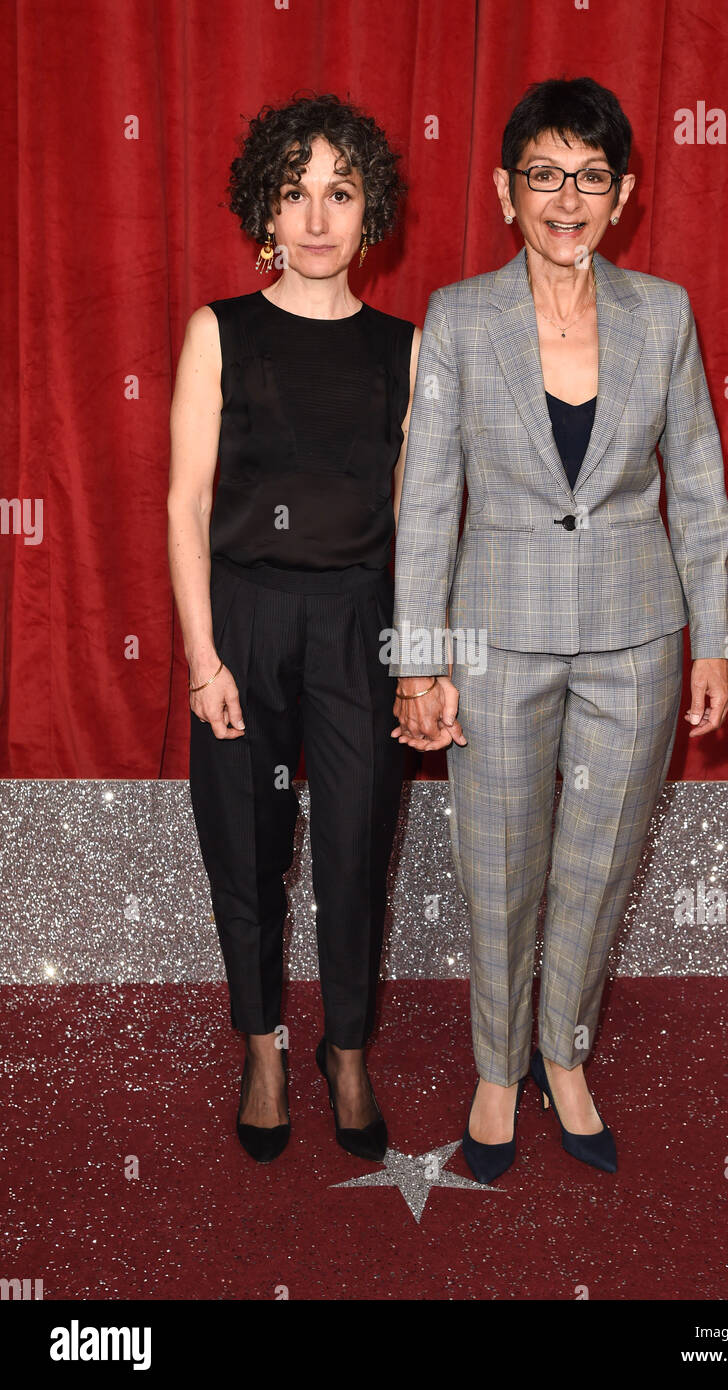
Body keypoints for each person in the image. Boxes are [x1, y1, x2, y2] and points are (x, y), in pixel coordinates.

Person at [390, 76, 728, 1183]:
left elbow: (695, 479)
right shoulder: (455, 318)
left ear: (622, 193)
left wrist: (714, 638)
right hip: (492, 636)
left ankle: (564, 1054)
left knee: (593, 867)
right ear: (504, 191)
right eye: (543, 174)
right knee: (495, 866)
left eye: (588, 175)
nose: (565, 196)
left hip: (635, 638)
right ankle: (497, 1069)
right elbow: (426, 500)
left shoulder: (664, 313)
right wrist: (418, 662)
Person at [167, 93, 420, 1164]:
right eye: (294, 190)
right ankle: (264, 1042)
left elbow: (424, 525)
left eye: (340, 191)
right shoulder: (218, 330)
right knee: (247, 847)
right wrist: (200, 661)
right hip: (244, 618)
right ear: (264, 208)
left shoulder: (407, 350)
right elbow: (183, 502)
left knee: (359, 845)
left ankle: (346, 1048)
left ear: (371, 214)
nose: (316, 216)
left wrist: (425, 666)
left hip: (362, 622)